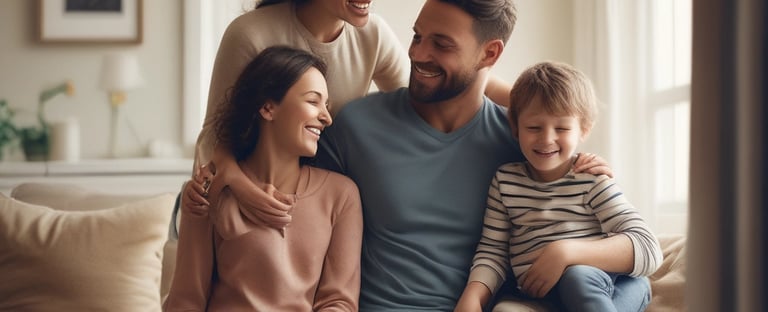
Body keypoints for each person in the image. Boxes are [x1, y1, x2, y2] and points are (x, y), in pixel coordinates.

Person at [186, 0, 613, 310]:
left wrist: (556, 138)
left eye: (440, 44)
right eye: (416, 36)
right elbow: (288, 240)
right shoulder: (352, 125)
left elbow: (597, 231)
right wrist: (231, 191)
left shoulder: (521, 141)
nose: (417, 53)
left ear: (490, 53)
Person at [182, 0, 516, 225]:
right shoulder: (251, 33)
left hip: (303, 206)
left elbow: (437, 85)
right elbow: (215, 134)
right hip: (233, 198)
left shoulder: (371, 34)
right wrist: (244, 190)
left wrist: (544, 108)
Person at [163, 46, 363, 311]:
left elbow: (339, 302)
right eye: (313, 101)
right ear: (268, 107)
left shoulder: (341, 195)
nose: (326, 117)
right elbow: (187, 300)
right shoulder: (208, 191)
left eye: (326, 106)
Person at [455, 61, 664, 312]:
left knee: (577, 278)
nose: (547, 139)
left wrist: (564, 252)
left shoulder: (590, 178)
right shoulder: (505, 181)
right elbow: (493, 251)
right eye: (533, 127)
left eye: (562, 128)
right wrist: (473, 297)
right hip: (542, 298)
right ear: (515, 127)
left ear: (583, 130)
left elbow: (648, 248)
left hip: (612, 285)